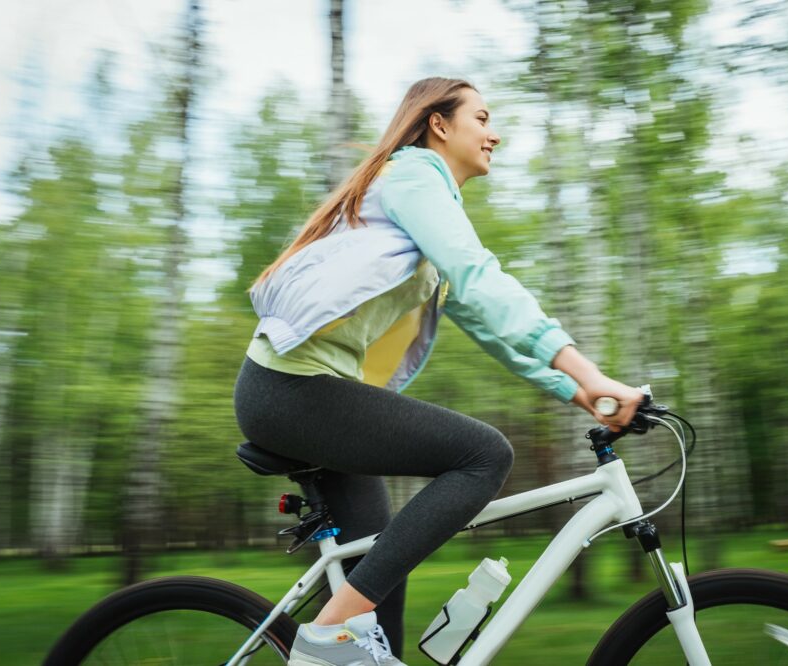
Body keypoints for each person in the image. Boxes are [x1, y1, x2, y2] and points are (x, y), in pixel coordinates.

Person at [233, 77, 644, 666]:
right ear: (439, 125)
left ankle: (342, 639)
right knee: (483, 455)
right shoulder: (412, 175)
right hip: (291, 390)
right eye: (482, 118)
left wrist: (578, 390)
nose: (494, 134)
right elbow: (481, 276)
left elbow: (487, 323)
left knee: (380, 582)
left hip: (306, 395)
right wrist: (591, 370)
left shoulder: (424, 207)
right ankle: (325, 633)